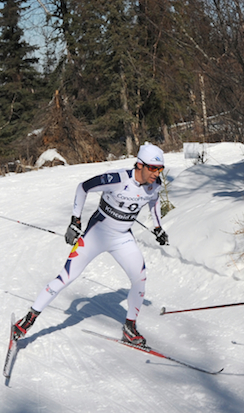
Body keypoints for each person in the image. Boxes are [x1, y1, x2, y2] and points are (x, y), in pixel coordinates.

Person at [11, 143, 170, 347]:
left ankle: (130, 329)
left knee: (140, 277)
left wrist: (158, 228)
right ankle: (28, 320)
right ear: (140, 165)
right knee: (66, 277)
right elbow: (83, 187)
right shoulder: (118, 179)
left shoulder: (153, 185)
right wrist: (75, 221)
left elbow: (154, 202)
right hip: (96, 235)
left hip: (122, 238)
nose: (156, 174)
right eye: (153, 168)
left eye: (160, 169)